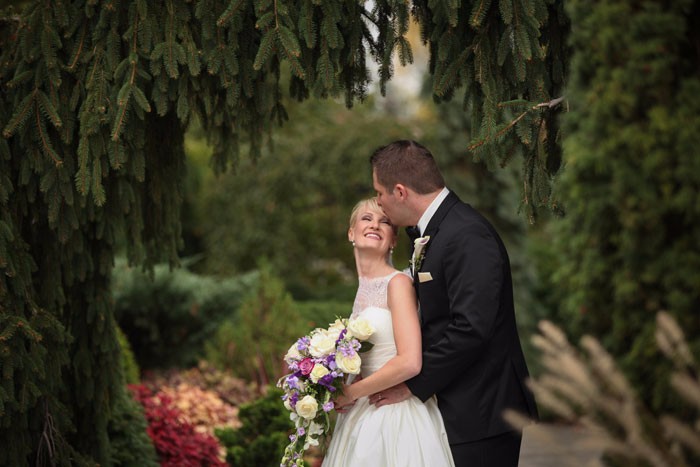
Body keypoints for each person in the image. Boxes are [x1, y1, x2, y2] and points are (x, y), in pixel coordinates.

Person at [368, 140, 539, 467]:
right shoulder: (435, 231)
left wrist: (413, 385)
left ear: (401, 192)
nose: (378, 202)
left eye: (380, 192)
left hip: (484, 413)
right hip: (459, 407)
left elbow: (471, 329)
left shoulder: (467, 234)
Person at [322, 198, 454, 467]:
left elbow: (409, 361)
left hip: (394, 414)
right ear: (351, 233)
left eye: (385, 221)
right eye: (366, 219)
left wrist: (352, 392)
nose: (375, 225)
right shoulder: (361, 291)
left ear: (393, 240)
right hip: (362, 412)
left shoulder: (398, 284)